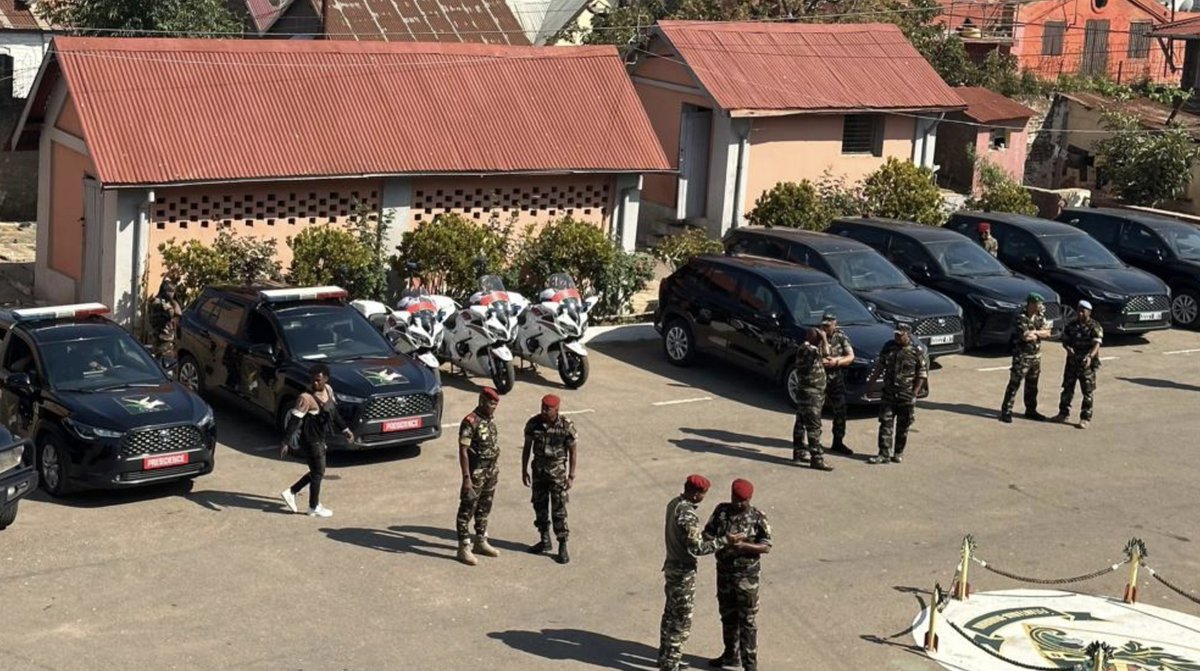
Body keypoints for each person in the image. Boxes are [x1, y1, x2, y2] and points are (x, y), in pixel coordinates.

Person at [659, 475, 745, 671]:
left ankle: (666, 657)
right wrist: (725, 541)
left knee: (670, 615)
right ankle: (670, 665)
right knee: (681, 621)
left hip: (672, 565)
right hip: (682, 572)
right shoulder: (688, 515)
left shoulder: (674, 503)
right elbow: (697, 548)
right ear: (697, 494)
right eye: (703, 494)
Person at [703, 479, 772, 671]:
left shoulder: (757, 517)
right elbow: (706, 534)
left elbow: (766, 546)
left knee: (747, 621)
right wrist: (723, 541)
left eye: (743, 500)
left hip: (746, 578)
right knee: (727, 616)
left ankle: (750, 665)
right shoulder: (721, 511)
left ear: (750, 498)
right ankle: (729, 655)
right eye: (735, 498)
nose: (738, 503)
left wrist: (744, 546)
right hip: (724, 574)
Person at [279, 364, 353, 518]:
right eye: (312, 380)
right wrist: (285, 442)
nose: (315, 383)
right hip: (310, 440)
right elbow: (294, 421)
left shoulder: (328, 390)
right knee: (319, 472)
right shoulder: (305, 398)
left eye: (318, 380)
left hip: (320, 437)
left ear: (326, 379)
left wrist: (345, 429)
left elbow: (333, 413)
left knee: (316, 471)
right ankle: (313, 507)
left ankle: (291, 492)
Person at [521, 393, 577, 564]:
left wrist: (571, 476)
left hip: (557, 476)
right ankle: (544, 539)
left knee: (559, 510)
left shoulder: (566, 426)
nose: (544, 411)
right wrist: (524, 470)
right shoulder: (533, 424)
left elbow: (573, 452)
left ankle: (562, 545)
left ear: (557, 410)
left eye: (548, 409)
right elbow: (527, 448)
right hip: (538, 473)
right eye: (543, 408)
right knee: (540, 506)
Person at [868, 324, 927, 465]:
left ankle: (898, 452)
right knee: (885, 424)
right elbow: (880, 366)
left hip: (906, 395)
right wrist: (870, 385)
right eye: (896, 334)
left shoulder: (915, 351)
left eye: (900, 335)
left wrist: (914, 393)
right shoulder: (889, 347)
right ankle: (883, 454)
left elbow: (922, 374)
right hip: (889, 393)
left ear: (908, 335)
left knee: (903, 425)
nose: (897, 337)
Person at [456, 387, 502, 566]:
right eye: (491, 404)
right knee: (467, 510)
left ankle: (480, 541)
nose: (493, 408)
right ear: (482, 401)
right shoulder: (470, 421)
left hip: (490, 472)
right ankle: (463, 547)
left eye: (495, 405)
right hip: (475, 474)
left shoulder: (489, 420)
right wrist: (466, 477)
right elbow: (463, 450)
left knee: (484, 507)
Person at [1000, 293, 1053, 423]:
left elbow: (1048, 333)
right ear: (1031, 304)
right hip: (1022, 357)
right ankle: (1006, 411)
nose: (1040, 306)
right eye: (1037, 304)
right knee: (1014, 384)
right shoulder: (1021, 318)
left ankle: (1031, 410)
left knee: (1032, 385)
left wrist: (1035, 333)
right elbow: (1025, 337)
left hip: (1036, 357)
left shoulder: (1040, 317)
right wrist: (1038, 333)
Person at [1052, 300, 1103, 430]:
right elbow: (1065, 340)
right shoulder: (1071, 325)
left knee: (1087, 391)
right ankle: (1063, 414)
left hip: (1086, 363)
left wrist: (1090, 356)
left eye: (1083, 311)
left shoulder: (1094, 326)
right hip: (1072, 362)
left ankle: (1085, 418)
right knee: (1067, 389)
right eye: (1078, 310)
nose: (1080, 314)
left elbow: (1097, 344)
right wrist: (1068, 348)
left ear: (1089, 313)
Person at [792, 328, 834, 471]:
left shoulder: (804, 349)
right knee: (814, 427)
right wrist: (825, 338)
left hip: (805, 392)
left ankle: (799, 452)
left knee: (800, 423)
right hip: (811, 395)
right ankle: (817, 458)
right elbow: (828, 355)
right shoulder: (810, 351)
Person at [820, 312, 855, 456]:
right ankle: (811, 442)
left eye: (828, 325)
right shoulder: (816, 336)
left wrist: (837, 362)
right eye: (824, 325)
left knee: (840, 411)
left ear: (835, 324)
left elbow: (851, 356)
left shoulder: (840, 337)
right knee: (812, 412)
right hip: (818, 379)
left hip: (835, 378)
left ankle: (838, 442)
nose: (826, 328)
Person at [148, 279, 182, 360]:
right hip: (163, 339)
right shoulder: (160, 303)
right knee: (165, 363)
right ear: (166, 291)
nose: (173, 294)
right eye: (171, 291)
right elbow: (177, 313)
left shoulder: (158, 301)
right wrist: (173, 301)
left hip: (163, 338)